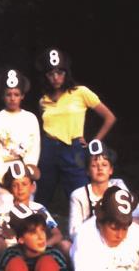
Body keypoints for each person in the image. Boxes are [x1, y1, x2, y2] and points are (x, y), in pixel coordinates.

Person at [34, 47, 116, 205]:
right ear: (46, 76)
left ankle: (83, 227)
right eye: (51, 74)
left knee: (81, 195)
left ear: (66, 72)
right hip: (48, 149)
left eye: (60, 73)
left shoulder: (80, 92)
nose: (56, 78)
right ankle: (40, 228)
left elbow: (109, 117)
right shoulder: (43, 100)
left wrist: (94, 142)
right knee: (42, 196)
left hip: (73, 149)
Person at [67, 140, 139, 239]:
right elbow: (73, 231)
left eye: (104, 165)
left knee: (136, 222)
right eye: (94, 166)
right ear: (87, 171)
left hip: (117, 236)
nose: (100, 168)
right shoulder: (79, 195)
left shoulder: (118, 186)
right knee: (65, 245)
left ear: (111, 170)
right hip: (91, 239)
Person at [0, 68, 39, 209]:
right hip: (4, 171)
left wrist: (28, 173)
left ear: (22, 96)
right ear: (3, 96)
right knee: (4, 214)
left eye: (16, 94)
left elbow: (34, 149)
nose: (12, 98)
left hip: (24, 173)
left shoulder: (30, 118)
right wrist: (3, 177)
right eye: (8, 94)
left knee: (26, 212)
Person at [0, 162, 67, 255]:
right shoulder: (2, 212)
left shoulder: (39, 208)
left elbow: (57, 234)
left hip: (41, 250)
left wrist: (41, 248)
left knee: (64, 245)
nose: (20, 189)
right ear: (10, 189)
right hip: (15, 255)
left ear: (32, 187)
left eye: (24, 184)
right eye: (15, 185)